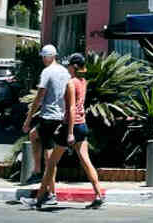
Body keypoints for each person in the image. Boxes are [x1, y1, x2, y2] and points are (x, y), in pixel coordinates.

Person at [22, 45, 70, 209]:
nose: (42, 59)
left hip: (48, 117)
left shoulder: (47, 72)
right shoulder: (65, 72)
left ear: (49, 56)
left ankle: (50, 193)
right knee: (35, 136)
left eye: (43, 57)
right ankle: (36, 171)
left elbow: (38, 97)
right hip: (60, 116)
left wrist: (28, 118)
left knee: (49, 159)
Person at [64, 54, 103, 208]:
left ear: (73, 66)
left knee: (51, 161)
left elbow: (72, 107)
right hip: (83, 125)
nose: (67, 68)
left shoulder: (72, 83)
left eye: (68, 65)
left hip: (73, 126)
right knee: (86, 162)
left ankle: (42, 196)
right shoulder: (83, 81)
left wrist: (70, 132)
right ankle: (98, 194)